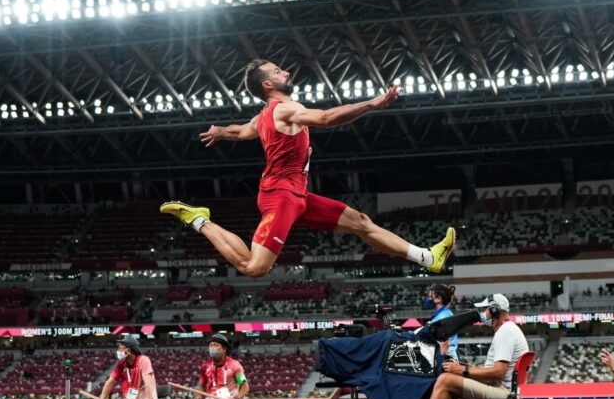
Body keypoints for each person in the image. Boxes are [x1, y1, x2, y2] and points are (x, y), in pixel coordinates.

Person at [159, 59, 455, 278]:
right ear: (267, 85)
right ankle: (199, 220)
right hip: (281, 197)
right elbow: (325, 118)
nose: (286, 72)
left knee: (361, 222)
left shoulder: (261, 118)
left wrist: (221, 132)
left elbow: (240, 132)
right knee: (254, 267)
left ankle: (428, 258)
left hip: (296, 196)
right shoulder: (284, 110)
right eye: (277, 71)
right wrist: (373, 104)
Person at [417, 293, 529, 399]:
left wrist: (463, 370)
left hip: (502, 390)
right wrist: (465, 367)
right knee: (451, 379)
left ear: (494, 310)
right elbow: (494, 370)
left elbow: (498, 372)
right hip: (500, 386)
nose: (483, 313)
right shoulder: (508, 330)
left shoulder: (506, 332)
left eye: (485, 309)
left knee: (445, 380)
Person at [181, 333, 249, 399]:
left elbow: (245, 387)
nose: (212, 348)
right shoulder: (205, 366)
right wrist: (199, 396)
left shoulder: (235, 365)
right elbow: (202, 385)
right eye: (210, 345)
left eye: (216, 345)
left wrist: (236, 398)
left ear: (224, 348)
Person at [426, 283, 458, 361]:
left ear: (438, 299)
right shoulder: (443, 314)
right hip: (446, 357)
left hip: (446, 359)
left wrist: (439, 362)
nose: (428, 299)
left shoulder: (443, 317)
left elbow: (445, 344)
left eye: (430, 297)